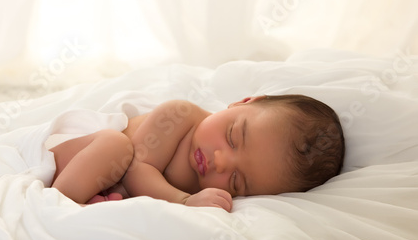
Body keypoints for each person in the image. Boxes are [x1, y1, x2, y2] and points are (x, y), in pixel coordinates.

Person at [49, 95, 345, 212]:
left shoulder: (211, 187)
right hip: (76, 153)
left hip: (103, 186)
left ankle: (90, 205)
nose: (220, 161)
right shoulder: (180, 116)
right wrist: (185, 200)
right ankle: (55, 203)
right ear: (243, 102)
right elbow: (137, 169)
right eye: (233, 136)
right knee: (117, 146)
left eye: (237, 181)